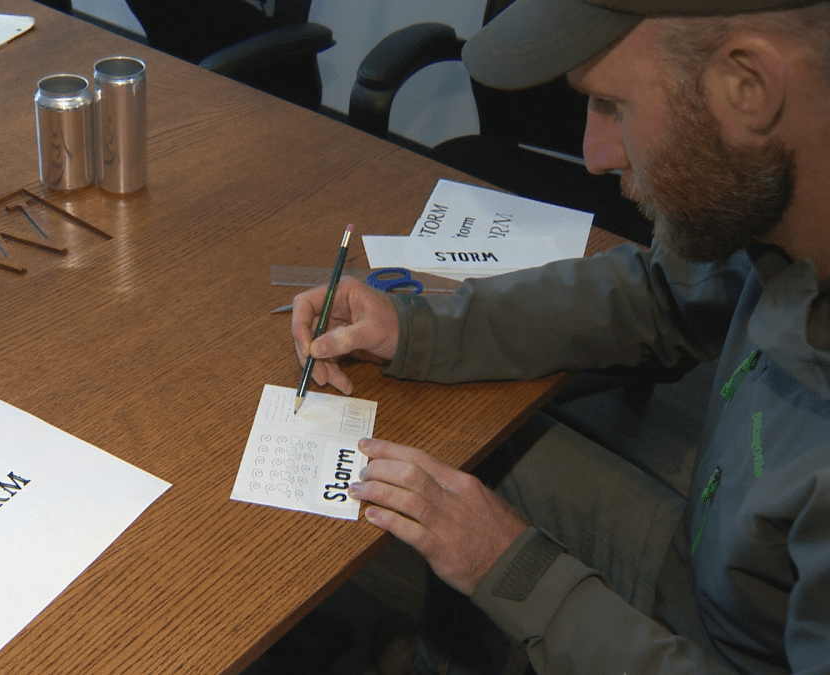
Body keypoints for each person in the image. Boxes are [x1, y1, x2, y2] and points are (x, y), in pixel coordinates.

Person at [291, 1, 830, 673]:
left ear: (749, 84)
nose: (594, 156)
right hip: (701, 566)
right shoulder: (779, 220)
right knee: (455, 456)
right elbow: (659, 294)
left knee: (471, 524)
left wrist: (514, 572)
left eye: (613, 106)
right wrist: (416, 328)